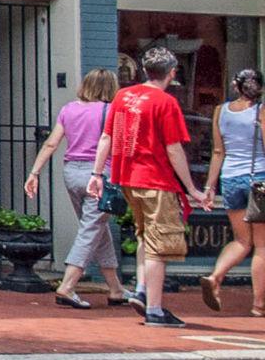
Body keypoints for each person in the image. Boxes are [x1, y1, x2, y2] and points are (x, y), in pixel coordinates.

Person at [89, 47, 209, 327]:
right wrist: (192, 188)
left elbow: (107, 137)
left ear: (144, 70)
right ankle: (154, 308)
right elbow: (174, 149)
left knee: (145, 235)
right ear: (172, 73)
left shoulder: (123, 96)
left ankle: (142, 289)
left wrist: (97, 173)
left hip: (127, 178)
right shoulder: (165, 102)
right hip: (156, 180)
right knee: (159, 245)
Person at [23, 69, 129, 309]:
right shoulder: (111, 110)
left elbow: (51, 143)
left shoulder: (68, 109)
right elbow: (118, 145)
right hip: (98, 174)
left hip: (71, 173)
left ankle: (115, 289)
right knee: (91, 229)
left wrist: (34, 172)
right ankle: (68, 286)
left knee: (96, 227)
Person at [200, 68, 264, 317]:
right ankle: (258, 305)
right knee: (262, 246)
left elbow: (218, 152)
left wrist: (209, 187)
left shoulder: (221, 111)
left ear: (236, 87)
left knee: (241, 241)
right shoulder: (261, 111)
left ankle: (215, 277)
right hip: (259, 179)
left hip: (230, 179)